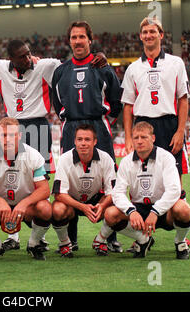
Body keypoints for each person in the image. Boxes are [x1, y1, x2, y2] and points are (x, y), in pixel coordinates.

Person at [0, 39, 108, 251]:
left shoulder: (44, 65)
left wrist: (99, 54)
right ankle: (14, 235)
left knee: (39, 181)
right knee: (12, 179)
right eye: (22, 56)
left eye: (29, 53)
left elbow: (74, 64)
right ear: (11, 59)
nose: (28, 58)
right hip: (13, 127)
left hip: (39, 126)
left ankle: (39, 236)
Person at [51, 21, 123, 252]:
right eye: (74, 37)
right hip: (71, 128)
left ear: (90, 40)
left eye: (82, 37)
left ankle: (108, 239)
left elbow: (116, 101)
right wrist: (70, 118)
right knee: (69, 184)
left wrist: (100, 120)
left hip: (98, 128)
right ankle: (71, 241)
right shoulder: (61, 71)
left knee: (109, 182)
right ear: (69, 41)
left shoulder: (103, 67)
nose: (78, 41)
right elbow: (57, 104)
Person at [106, 122, 190, 259]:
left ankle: (180, 242)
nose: (139, 141)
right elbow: (118, 193)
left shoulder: (166, 157)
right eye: (136, 138)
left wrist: (155, 211)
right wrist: (131, 211)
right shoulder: (126, 162)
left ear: (153, 138)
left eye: (144, 137)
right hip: (139, 210)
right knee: (110, 214)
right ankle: (143, 240)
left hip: (164, 210)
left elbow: (174, 190)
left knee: (183, 209)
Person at [0, 117, 52, 261]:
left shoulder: (33, 155)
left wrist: (24, 203)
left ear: (19, 136)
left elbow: (44, 190)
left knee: (45, 208)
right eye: (3, 135)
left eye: (12, 135)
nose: (7, 139)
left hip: (25, 208)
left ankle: (33, 244)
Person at [121, 17, 190, 178]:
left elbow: (183, 99)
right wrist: (128, 137)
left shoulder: (176, 63)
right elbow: (128, 106)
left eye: (152, 31)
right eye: (145, 32)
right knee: (143, 176)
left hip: (169, 125)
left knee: (173, 177)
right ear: (140, 36)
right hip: (142, 125)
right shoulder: (133, 68)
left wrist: (180, 131)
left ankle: (178, 202)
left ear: (161, 35)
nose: (148, 35)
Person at [52, 124, 117, 257]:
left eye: (87, 139)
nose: (83, 143)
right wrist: (82, 207)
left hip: (96, 200)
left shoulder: (106, 158)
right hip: (73, 201)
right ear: (74, 141)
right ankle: (65, 243)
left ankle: (100, 240)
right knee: (57, 209)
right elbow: (59, 194)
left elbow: (113, 192)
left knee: (117, 207)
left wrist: (102, 205)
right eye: (80, 139)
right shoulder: (65, 159)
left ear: (95, 141)